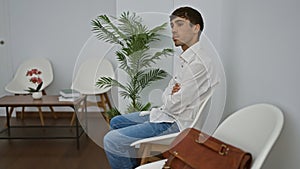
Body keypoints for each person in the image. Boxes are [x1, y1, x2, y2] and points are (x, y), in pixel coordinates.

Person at [103, 6, 219, 169]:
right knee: (116, 121)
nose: (174, 30)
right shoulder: (187, 58)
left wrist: (171, 95)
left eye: (179, 24)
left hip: (176, 123)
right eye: (172, 26)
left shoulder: (198, 63)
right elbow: (168, 93)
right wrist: (171, 93)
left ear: (195, 28)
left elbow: (173, 103)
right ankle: (131, 164)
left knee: (111, 140)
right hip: (166, 114)